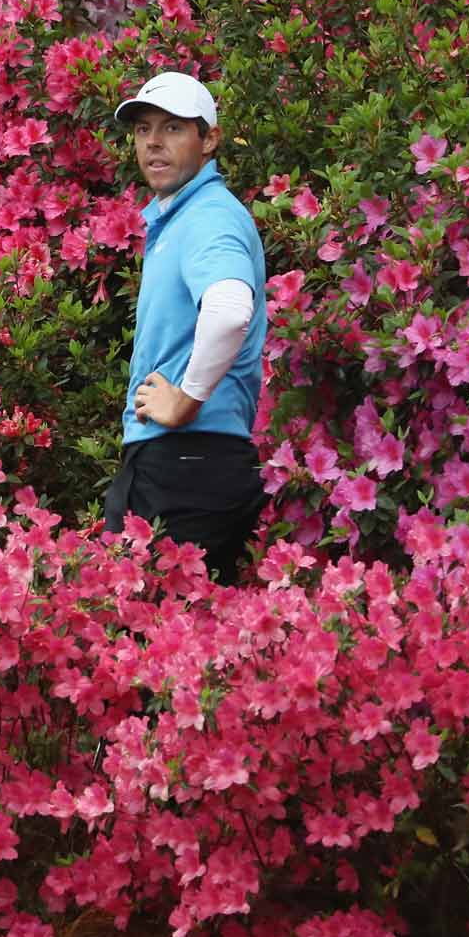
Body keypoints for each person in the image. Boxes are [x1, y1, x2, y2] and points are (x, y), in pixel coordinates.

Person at [103, 71, 268, 579]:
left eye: (173, 128)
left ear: (209, 139)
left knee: (151, 621)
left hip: (187, 462)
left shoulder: (207, 217)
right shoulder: (183, 216)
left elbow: (229, 309)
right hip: (183, 463)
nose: (153, 142)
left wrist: (185, 399)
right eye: (143, 129)